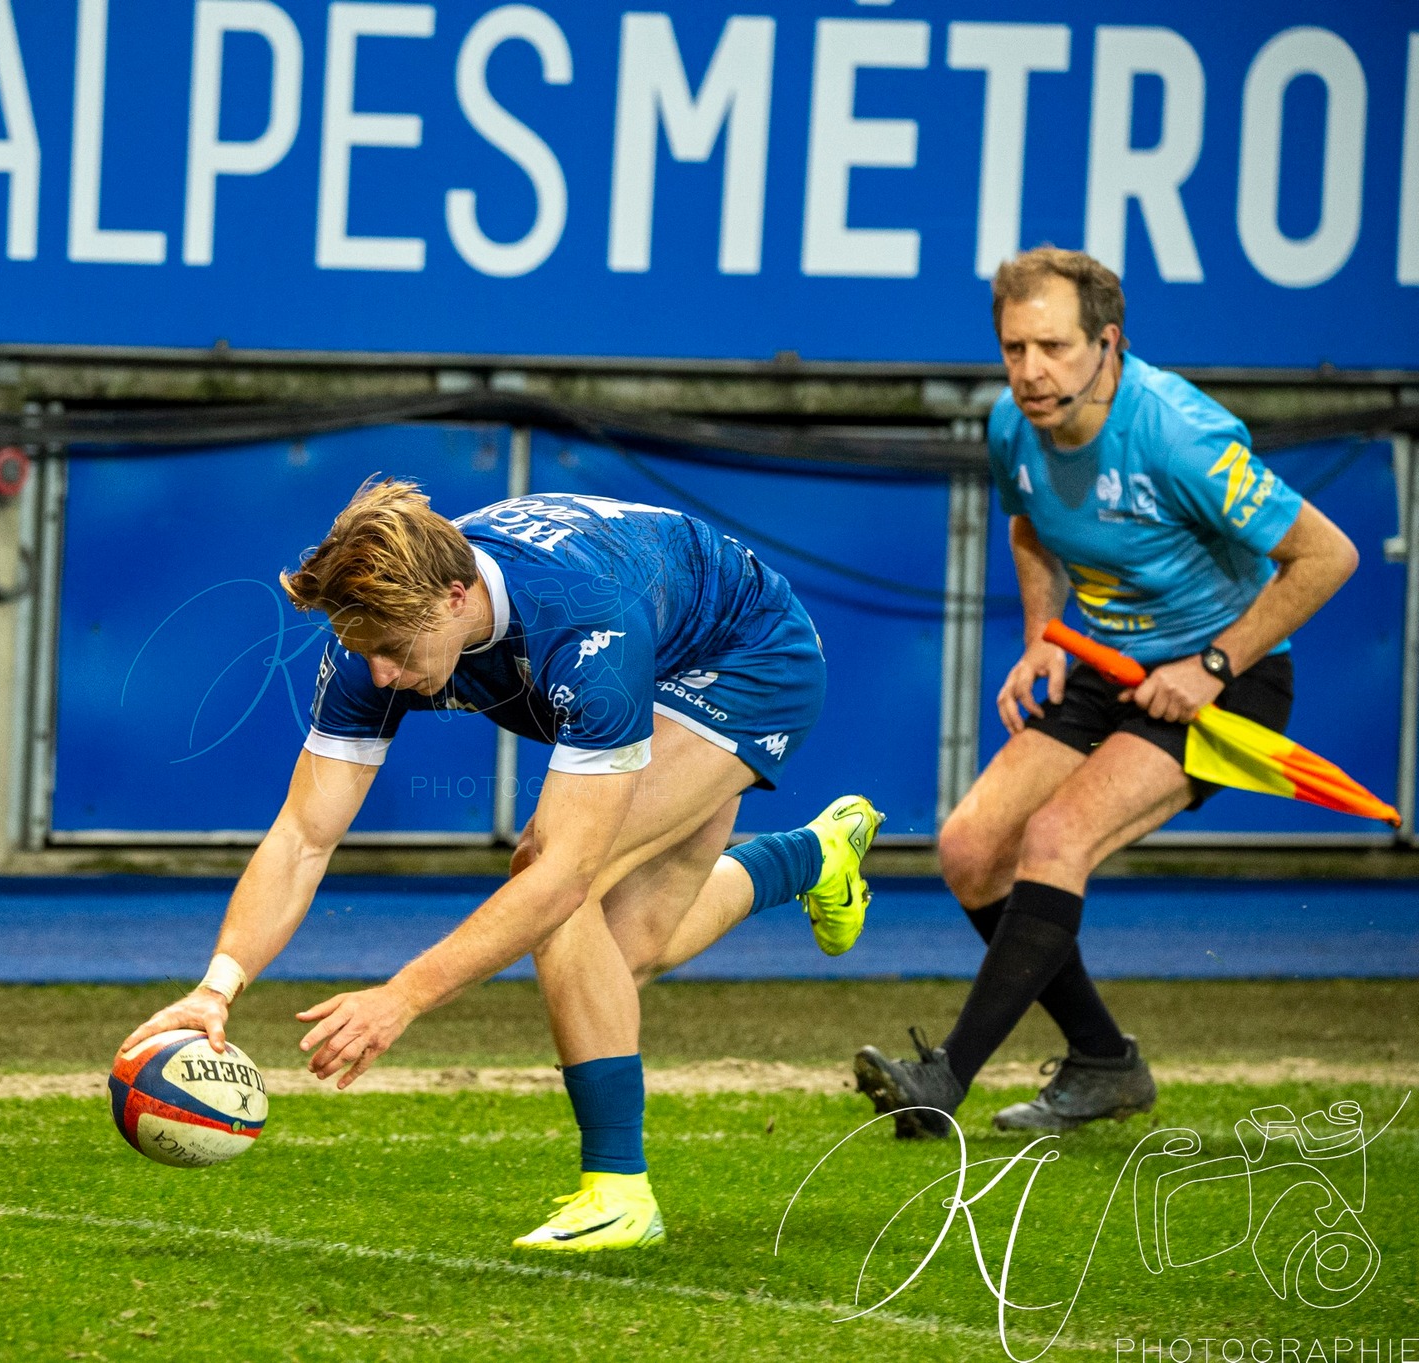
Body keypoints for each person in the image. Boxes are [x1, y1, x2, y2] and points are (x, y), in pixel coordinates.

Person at [120, 481, 882, 1251]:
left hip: (747, 658)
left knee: (552, 874)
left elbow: (561, 879)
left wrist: (401, 997)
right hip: (664, 636)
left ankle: (619, 1190)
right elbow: (302, 837)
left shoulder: (585, 625)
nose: (379, 673)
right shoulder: (373, 635)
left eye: (393, 649)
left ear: (456, 597)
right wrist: (218, 985)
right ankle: (815, 854)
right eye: (364, 649)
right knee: (622, 954)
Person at [854, 247, 1358, 1138]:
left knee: (1055, 836)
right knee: (972, 849)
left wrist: (1210, 666)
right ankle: (1103, 1061)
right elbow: (1030, 523)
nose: (1030, 372)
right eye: (1014, 349)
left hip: (1226, 682)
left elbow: (1327, 555)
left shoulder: (1178, 434)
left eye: (1051, 346)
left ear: (1107, 343)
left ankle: (944, 1079)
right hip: (1107, 663)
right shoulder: (1015, 425)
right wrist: (1044, 635)